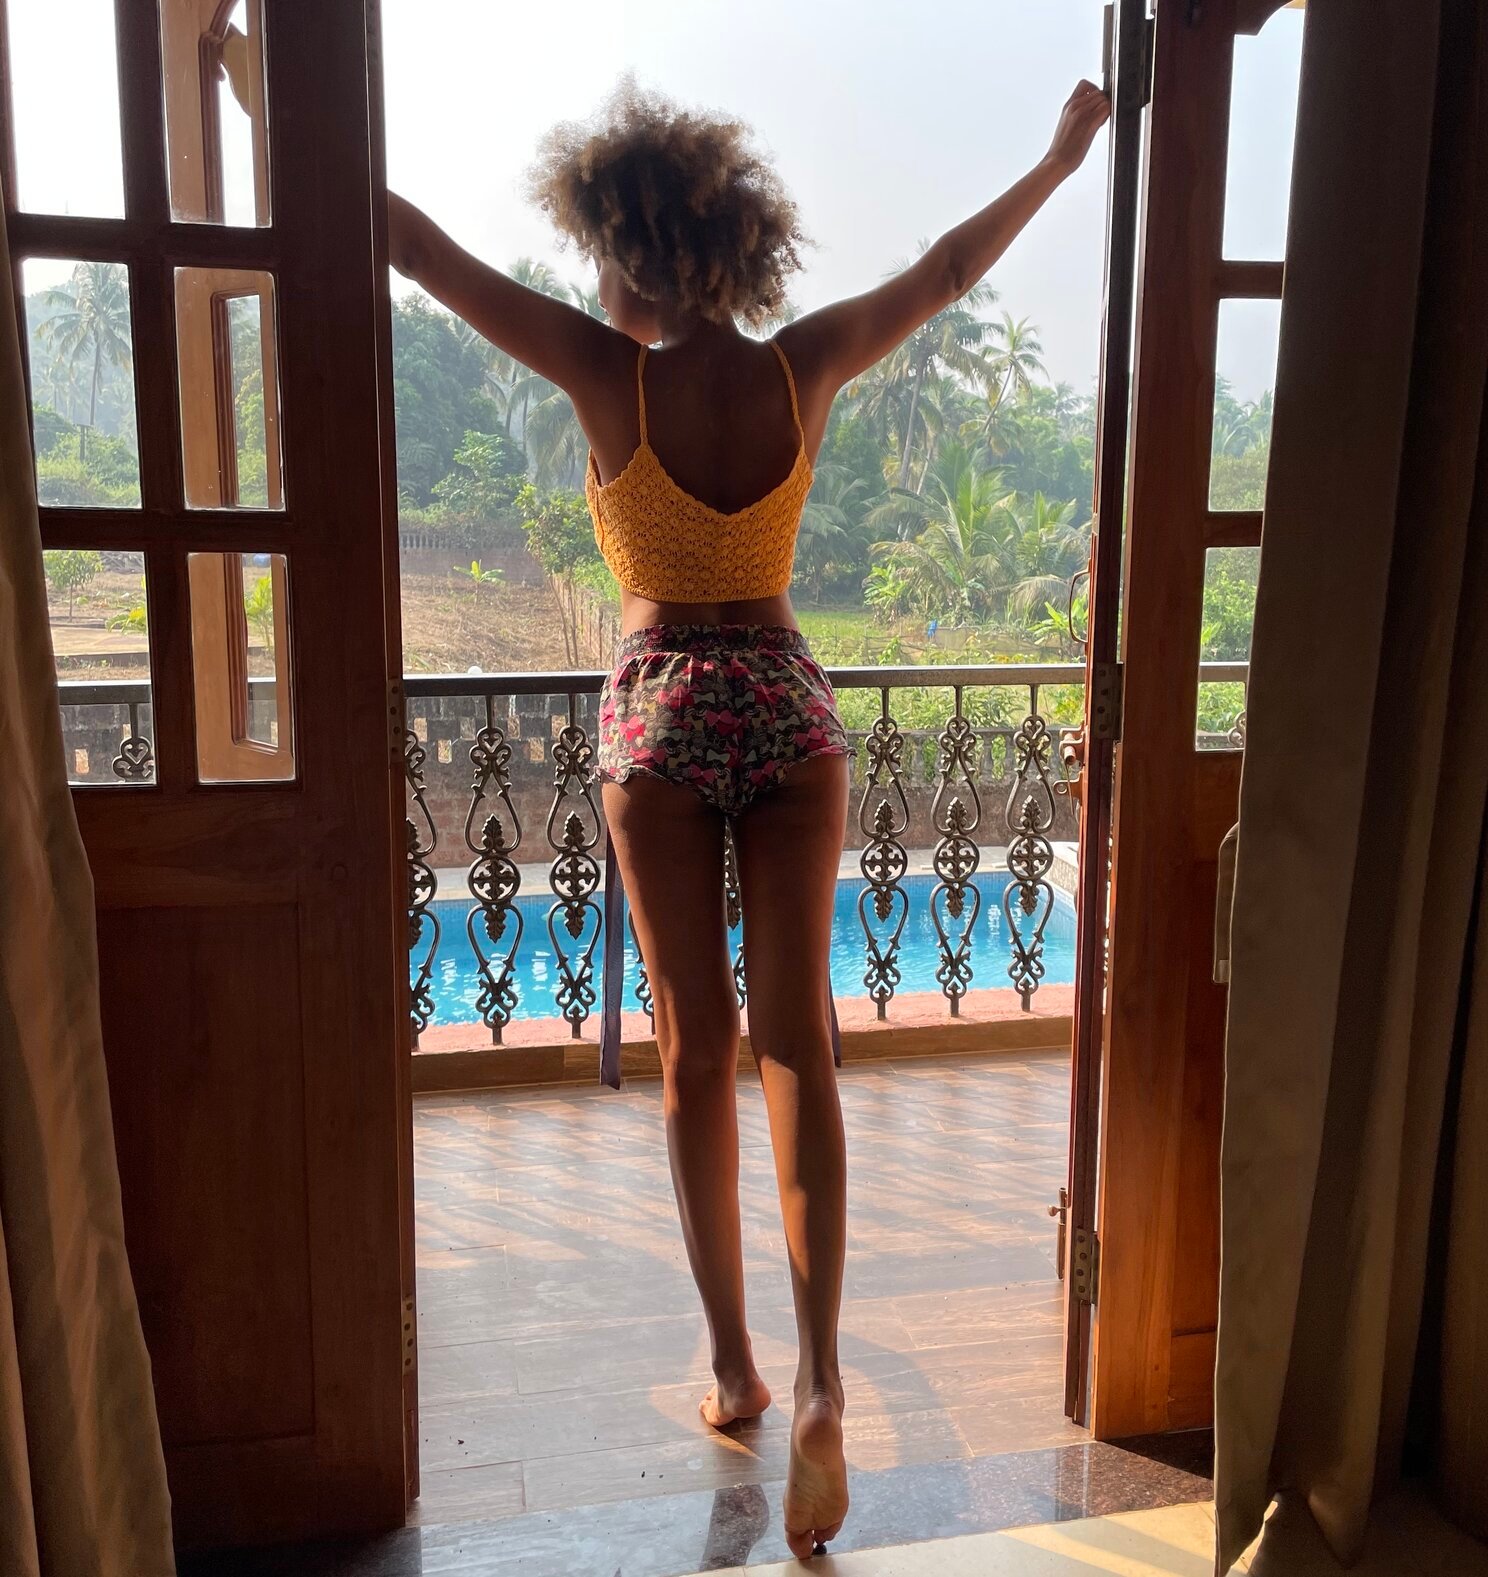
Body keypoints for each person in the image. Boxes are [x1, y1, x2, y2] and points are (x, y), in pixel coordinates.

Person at [388, 76, 1109, 1559]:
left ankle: (734, 1362)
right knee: (801, 1044)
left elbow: (417, 247)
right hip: (786, 700)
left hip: (659, 708)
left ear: (628, 246)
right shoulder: (805, 366)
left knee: (693, 1048)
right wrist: (1060, 154)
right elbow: (952, 272)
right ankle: (831, 1374)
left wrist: (280, 107)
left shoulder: (606, 374)